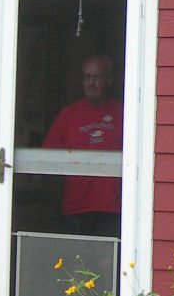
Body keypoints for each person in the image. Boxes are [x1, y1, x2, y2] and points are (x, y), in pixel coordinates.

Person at [42, 54, 123, 234]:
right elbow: (48, 160)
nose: (91, 83)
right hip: (75, 209)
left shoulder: (124, 113)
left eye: (96, 77)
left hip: (112, 209)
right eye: (86, 77)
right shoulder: (68, 115)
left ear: (109, 80)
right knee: (76, 259)